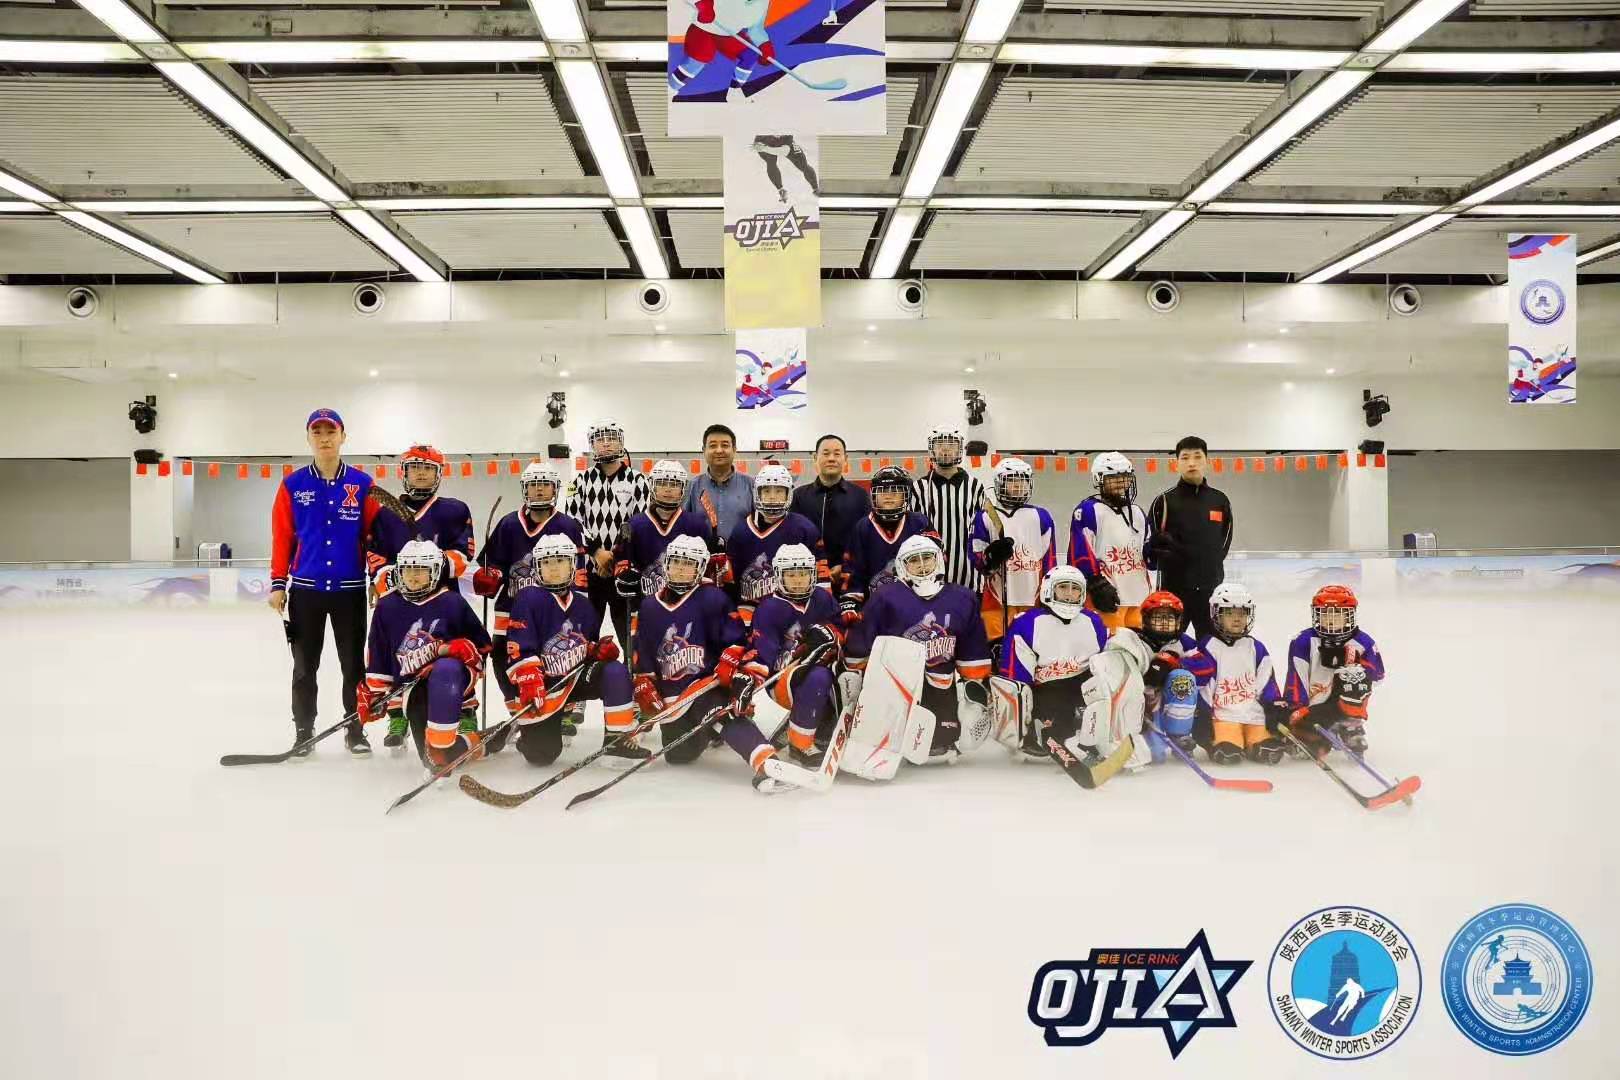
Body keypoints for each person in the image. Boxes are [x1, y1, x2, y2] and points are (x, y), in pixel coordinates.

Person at [632, 535, 817, 794]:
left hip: (707, 685)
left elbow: (738, 640)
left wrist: (730, 660)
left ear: (700, 568)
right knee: (679, 755)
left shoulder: (713, 598)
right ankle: (712, 731)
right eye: (677, 563)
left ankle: (767, 762)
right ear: (666, 564)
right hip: (675, 699)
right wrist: (644, 681)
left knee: (719, 713)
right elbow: (644, 652)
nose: (682, 569)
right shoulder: (649, 606)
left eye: (689, 564)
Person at [269, 407, 382, 756]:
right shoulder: (292, 485)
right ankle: (304, 731)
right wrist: (278, 583)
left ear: (343, 436)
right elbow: (282, 537)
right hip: (306, 593)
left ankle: (355, 729)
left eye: (330, 432)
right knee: (304, 668)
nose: (324, 438)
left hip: (350, 591)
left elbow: (375, 536)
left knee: (354, 666)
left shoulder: (363, 484)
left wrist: (377, 577)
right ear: (308, 438)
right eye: (316, 432)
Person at [843, 535, 993, 765]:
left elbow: (972, 655)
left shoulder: (963, 598)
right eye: (914, 560)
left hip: (940, 683)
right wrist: (855, 674)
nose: (922, 565)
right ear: (902, 566)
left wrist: (972, 695)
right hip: (896, 684)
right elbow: (861, 641)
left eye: (927, 558)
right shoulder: (885, 597)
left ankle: (945, 727)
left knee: (942, 739)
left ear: (939, 560)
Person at [504, 533, 643, 768]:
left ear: (572, 566)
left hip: (573, 680)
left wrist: (596, 651)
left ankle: (617, 740)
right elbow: (519, 647)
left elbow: (584, 645)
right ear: (537, 567)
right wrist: (529, 680)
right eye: (547, 562)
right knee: (542, 755)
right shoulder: (528, 598)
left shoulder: (583, 604)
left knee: (615, 672)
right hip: (544, 687)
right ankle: (526, 735)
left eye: (561, 561)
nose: (554, 568)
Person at [359, 540, 492, 774]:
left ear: (436, 571)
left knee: (446, 669)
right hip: (413, 689)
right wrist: (375, 694)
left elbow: (483, 645)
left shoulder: (452, 602)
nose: (413, 576)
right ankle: (481, 743)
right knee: (432, 757)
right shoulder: (387, 606)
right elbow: (378, 653)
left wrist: (462, 649)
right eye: (408, 569)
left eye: (420, 569)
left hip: (451, 684)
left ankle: (465, 713)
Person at [474, 461, 586, 732]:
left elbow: (579, 573)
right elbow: (493, 564)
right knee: (501, 656)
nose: (539, 490)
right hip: (511, 606)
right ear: (525, 489)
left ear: (555, 489)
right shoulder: (509, 524)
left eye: (545, 485)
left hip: (554, 608)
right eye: (534, 485)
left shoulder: (568, 525)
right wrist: (490, 577)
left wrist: (576, 606)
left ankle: (563, 708)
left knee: (559, 654)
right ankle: (517, 709)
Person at [994, 565, 1108, 762]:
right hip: (1046, 691)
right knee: (1058, 719)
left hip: (1084, 689)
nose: (1069, 594)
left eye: (1075, 589)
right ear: (1048, 589)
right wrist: (1023, 719)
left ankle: (1103, 736)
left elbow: (1106, 664)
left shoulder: (1094, 621)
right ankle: (1053, 736)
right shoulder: (1027, 623)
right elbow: (1016, 677)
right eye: (1063, 587)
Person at [747, 544, 843, 766]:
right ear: (779, 576)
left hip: (825, 668)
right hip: (785, 681)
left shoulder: (822, 597)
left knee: (849, 676)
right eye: (791, 575)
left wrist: (831, 636)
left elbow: (840, 630)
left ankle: (818, 725)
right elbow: (769, 662)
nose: (798, 580)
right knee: (818, 677)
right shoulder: (769, 609)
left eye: (803, 574)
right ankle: (800, 744)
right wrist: (803, 652)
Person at [1179, 582, 1286, 766]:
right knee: (1229, 747)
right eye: (1229, 613)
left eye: (1242, 613)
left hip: (1254, 715)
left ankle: (1256, 744)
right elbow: (1204, 687)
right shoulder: (1208, 646)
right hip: (1223, 716)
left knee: (1265, 743)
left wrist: (1273, 707)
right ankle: (1225, 744)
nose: (1237, 618)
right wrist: (1202, 717)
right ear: (1216, 614)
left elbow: (1266, 679)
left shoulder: (1255, 647)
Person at [564, 418, 649, 648]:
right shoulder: (577, 481)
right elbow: (573, 521)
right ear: (592, 445)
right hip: (590, 571)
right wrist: (596, 552)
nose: (606, 443)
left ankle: (631, 671)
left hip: (624, 570)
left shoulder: (639, 480)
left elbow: (638, 523)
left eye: (611, 438)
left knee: (630, 638)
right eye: (600, 439)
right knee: (584, 637)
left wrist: (614, 556)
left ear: (621, 442)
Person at [1278, 584, 1386, 758]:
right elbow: (1296, 677)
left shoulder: (1364, 642)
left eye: (1337, 614)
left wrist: (1355, 665)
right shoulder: (1303, 641)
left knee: (1356, 676)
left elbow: (1377, 676)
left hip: (1341, 706)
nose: (1330, 619)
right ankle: (1310, 734)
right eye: (1325, 613)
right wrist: (1296, 707)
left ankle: (1349, 725)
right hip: (1313, 707)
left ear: (1349, 615)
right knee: (1316, 747)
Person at [1146, 436, 1233, 640]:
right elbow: (1149, 548)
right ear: (1176, 463)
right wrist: (1158, 551)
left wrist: (1208, 567)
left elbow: (1224, 542)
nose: (1191, 463)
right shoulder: (1164, 501)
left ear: (1207, 461)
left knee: (1213, 648)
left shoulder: (1219, 500)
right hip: (1173, 593)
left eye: (1197, 457)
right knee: (1169, 646)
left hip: (1210, 591)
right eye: (1185, 458)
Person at [613, 459, 718, 624]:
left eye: (674, 484)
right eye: (662, 483)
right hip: (646, 607)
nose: (668, 489)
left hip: (689, 608)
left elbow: (708, 571)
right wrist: (624, 576)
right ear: (652, 486)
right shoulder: (634, 525)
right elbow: (621, 561)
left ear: (683, 488)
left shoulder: (697, 525)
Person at [366, 444, 475, 598]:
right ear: (404, 472)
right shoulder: (385, 515)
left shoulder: (455, 510)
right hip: (397, 598)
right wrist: (394, 578)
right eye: (414, 467)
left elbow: (463, 554)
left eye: (428, 468)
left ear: (438, 473)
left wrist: (427, 565)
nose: (421, 472)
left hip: (443, 597)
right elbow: (376, 558)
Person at [724, 464, 826, 625]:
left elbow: (821, 577)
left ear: (788, 494)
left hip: (792, 609)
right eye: (766, 491)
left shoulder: (804, 528)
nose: (772, 497)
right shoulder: (741, 530)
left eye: (779, 491)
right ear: (757, 493)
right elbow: (730, 581)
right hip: (748, 608)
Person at [970, 457, 1057, 646]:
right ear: (999, 484)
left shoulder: (1041, 516)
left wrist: (1050, 596)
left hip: (1033, 597)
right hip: (996, 599)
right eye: (1011, 481)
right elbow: (976, 558)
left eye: (1022, 481)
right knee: (997, 649)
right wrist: (991, 557)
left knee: (1031, 647)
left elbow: (1049, 561)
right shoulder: (986, 516)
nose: (1018, 486)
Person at [837, 465, 936, 625]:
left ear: (906, 496)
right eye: (883, 491)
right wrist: (851, 603)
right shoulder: (863, 527)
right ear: (874, 495)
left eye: (895, 491)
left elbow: (936, 564)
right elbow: (854, 572)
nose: (888, 496)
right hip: (875, 608)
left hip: (917, 604)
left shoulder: (919, 523)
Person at [1068, 451, 1153, 631]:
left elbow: (1146, 550)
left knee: (1138, 644)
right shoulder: (1089, 510)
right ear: (1099, 479)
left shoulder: (1137, 512)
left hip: (1138, 595)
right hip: (1107, 596)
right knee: (1111, 644)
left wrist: (1157, 550)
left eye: (1124, 476)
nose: (1120, 481)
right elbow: (1080, 552)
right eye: (1113, 477)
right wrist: (1095, 584)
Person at [909, 424, 985, 592]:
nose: (945, 449)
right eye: (940, 445)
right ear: (932, 450)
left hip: (969, 575)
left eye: (951, 445)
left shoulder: (975, 487)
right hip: (928, 574)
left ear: (959, 450)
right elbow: (911, 531)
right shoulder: (918, 488)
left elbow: (983, 530)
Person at [790, 433, 869, 578]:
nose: (831, 458)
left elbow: (866, 538)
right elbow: (793, 538)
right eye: (826, 453)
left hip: (850, 576)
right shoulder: (799, 496)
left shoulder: (860, 496)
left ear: (845, 459)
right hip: (807, 576)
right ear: (815, 458)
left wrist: (845, 566)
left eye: (837, 454)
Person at [684, 423, 752, 539]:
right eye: (713, 446)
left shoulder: (751, 485)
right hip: (700, 550)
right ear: (704, 450)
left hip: (743, 551)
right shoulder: (692, 486)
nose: (719, 450)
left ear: (734, 449)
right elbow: (683, 523)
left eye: (725, 445)